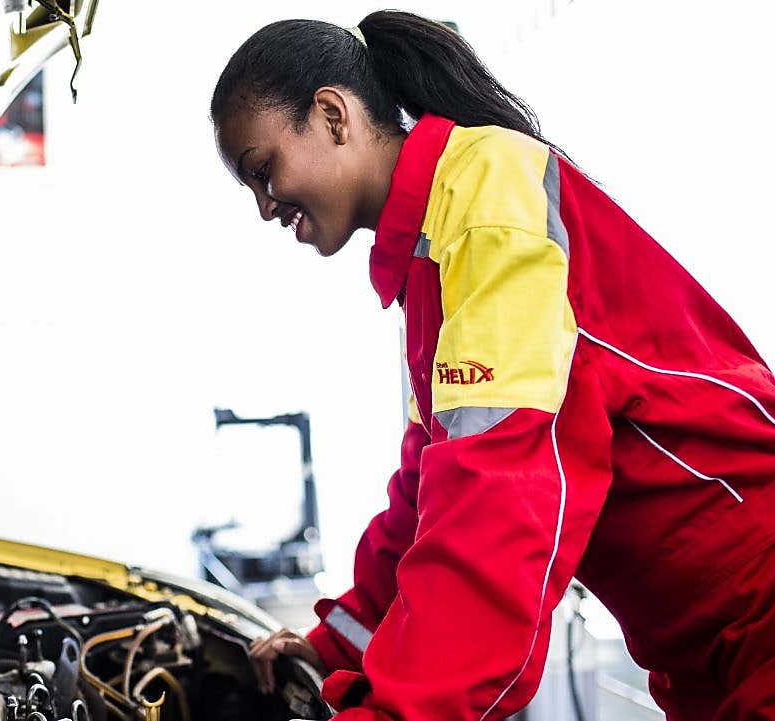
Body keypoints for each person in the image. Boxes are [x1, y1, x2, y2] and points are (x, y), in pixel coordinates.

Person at [210, 11, 775, 721]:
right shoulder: (434, 252)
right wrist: (334, 645)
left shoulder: (488, 200)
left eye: (263, 170)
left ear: (331, 115)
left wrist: (397, 712)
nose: (265, 206)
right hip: (701, 652)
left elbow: (497, 497)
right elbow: (427, 494)